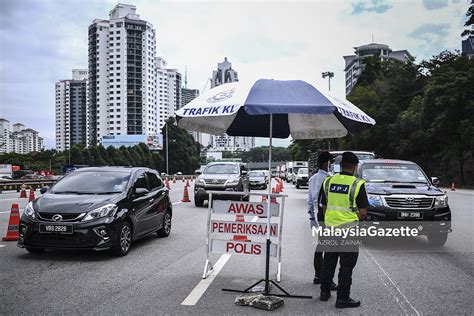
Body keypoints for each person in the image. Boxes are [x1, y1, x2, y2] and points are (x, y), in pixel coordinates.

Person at [319, 152, 368, 309]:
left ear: (340, 165)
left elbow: (324, 206)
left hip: (331, 228)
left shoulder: (328, 181)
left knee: (329, 261)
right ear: (354, 167)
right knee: (346, 265)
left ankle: (324, 292)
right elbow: (363, 213)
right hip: (349, 230)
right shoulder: (357, 184)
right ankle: (342, 298)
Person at [307, 151, 336, 291]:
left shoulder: (312, 178)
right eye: (330, 162)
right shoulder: (330, 179)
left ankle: (318, 275)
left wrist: (312, 218)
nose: (331, 165)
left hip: (318, 215)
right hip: (328, 214)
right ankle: (327, 279)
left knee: (320, 245)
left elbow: (309, 200)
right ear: (326, 163)